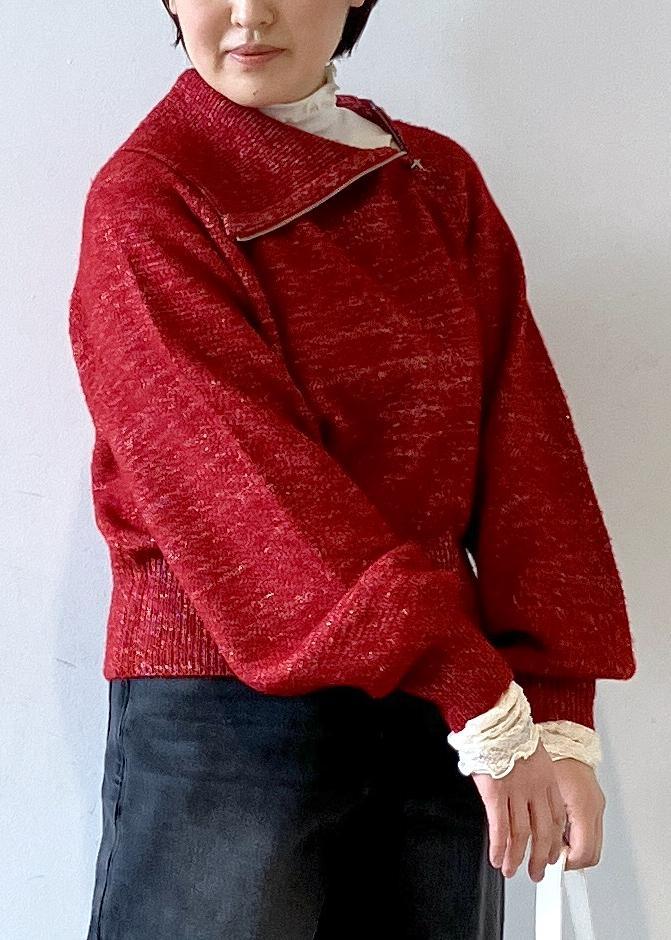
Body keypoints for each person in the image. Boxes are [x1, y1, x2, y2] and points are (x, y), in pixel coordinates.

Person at [68, 1, 637, 937]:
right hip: (227, 714)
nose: (247, 14)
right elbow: (240, 493)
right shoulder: (150, 197)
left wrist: (555, 709)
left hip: (444, 717)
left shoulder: (436, 184)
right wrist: (486, 703)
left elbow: (527, 454)